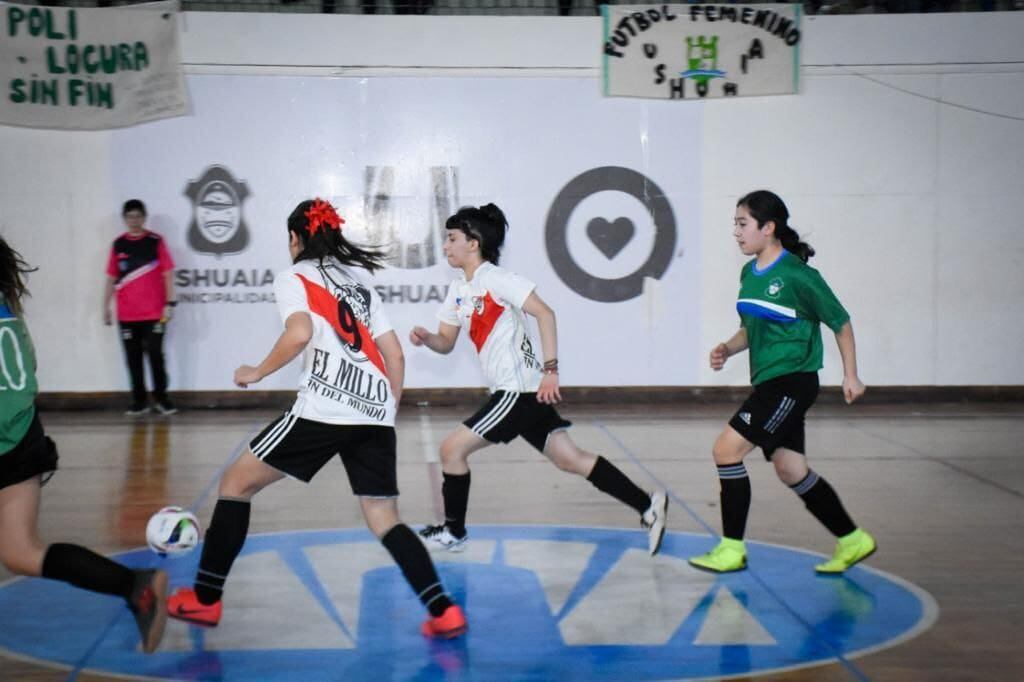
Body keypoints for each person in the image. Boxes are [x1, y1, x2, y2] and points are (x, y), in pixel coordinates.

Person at [166, 199, 466, 639]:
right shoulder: (359, 284)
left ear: (295, 238)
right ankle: (443, 611)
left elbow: (300, 332)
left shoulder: (294, 277)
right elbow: (394, 354)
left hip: (323, 409)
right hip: (374, 411)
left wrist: (257, 370)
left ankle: (205, 601)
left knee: (235, 485)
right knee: (384, 517)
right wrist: (385, 409)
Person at [410, 203, 668, 555]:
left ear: (474, 243)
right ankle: (648, 505)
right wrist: (428, 340)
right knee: (570, 458)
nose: (445, 246)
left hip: (517, 393)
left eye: (452, 239)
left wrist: (551, 370)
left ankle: (454, 533)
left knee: (451, 449)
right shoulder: (458, 290)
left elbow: (545, 314)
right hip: (522, 393)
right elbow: (446, 342)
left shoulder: (496, 279)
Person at [688, 190, 875, 575]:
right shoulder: (748, 273)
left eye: (743, 224)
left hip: (790, 384)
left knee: (726, 450)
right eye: (734, 225)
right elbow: (749, 329)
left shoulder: (797, 275)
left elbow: (840, 321)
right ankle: (853, 539)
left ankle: (731, 549)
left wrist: (850, 374)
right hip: (770, 384)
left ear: (768, 227)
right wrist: (728, 347)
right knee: (791, 469)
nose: (736, 233)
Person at [0, 236, 168, 653]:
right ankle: (135, 585)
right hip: (21, 442)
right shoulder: (9, 314)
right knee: (21, 553)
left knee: (21, 551)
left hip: (9, 441)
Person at [103, 199, 178, 417]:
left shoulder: (156, 241)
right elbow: (110, 278)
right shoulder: (118, 245)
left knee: (156, 356)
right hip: (127, 315)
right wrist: (105, 306)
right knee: (132, 359)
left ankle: (162, 400)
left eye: (138, 216)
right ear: (124, 219)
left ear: (144, 217)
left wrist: (170, 303)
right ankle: (139, 401)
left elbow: (168, 274)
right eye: (130, 217)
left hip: (155, 313)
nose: (134, 221)